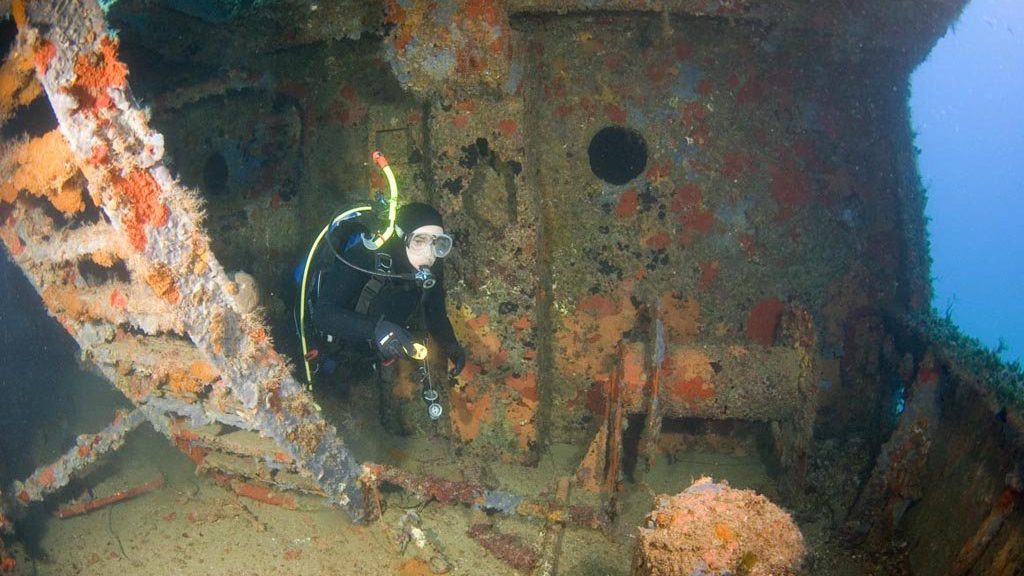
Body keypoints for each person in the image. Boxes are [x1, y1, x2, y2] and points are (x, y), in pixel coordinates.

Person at [304, 202, 465, 425]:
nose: (430, 253)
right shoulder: (365, 258)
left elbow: (434, 311)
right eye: (419, 241)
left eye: (438, 244)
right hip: (330, 347)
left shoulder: (431, 266)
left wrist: (451, 345)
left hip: (370, 354)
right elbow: (323, 314)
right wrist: (376, 328)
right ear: (401, 237)